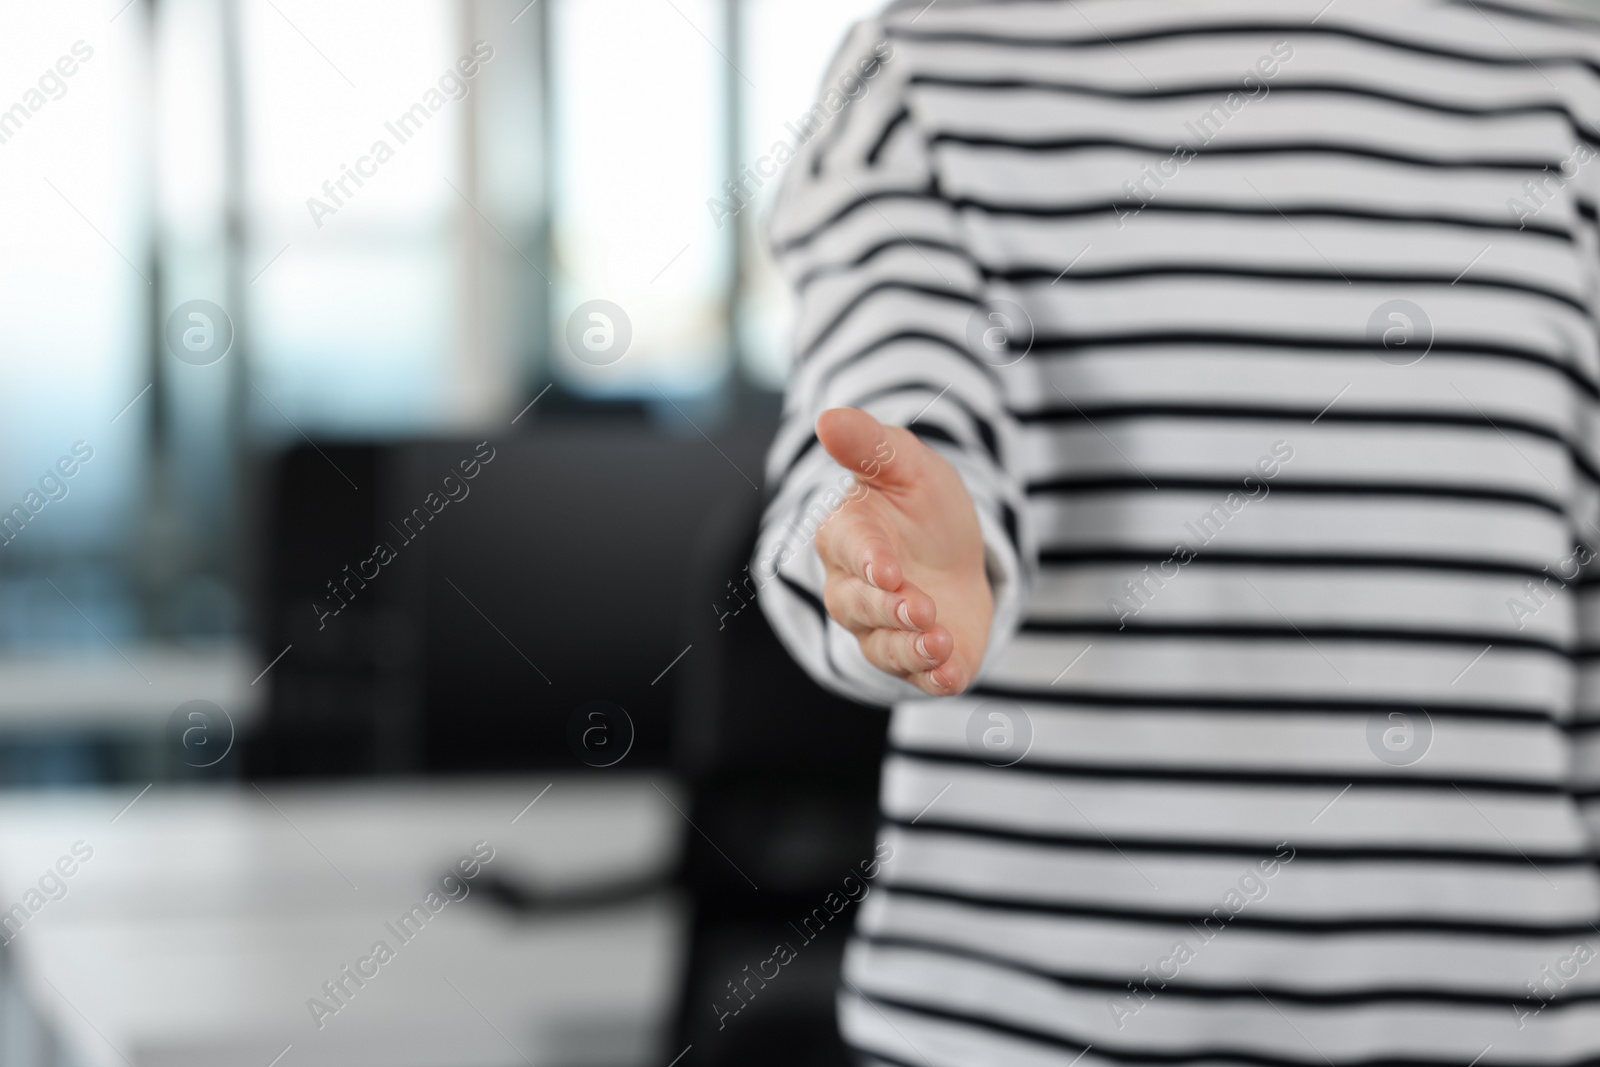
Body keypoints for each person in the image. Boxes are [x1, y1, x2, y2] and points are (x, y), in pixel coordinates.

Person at [754, 0, 1600, 1064]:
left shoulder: (1573, 77)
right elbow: (885, 395)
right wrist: (894, 543)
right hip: (1012, 1032)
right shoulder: (920, 72)